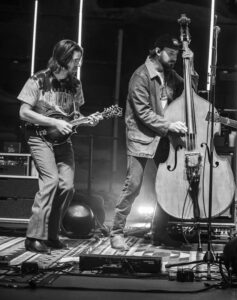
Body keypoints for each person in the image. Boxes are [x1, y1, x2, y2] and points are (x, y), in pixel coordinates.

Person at [110, 34, 198, 250]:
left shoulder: (170, 75)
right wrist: (169, 125)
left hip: (163, 139)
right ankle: (116, 231)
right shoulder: (140, 76)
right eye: (171, 53)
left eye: (177, 55)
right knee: (134, 185)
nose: (173, 58)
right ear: (157, 51)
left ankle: (159, 231)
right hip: (141, 137)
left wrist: (191, 64)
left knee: (168, 186)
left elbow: (190, 92)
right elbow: (143, 113)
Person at [18, 39, 99, 253]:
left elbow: (74, 115)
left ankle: (52, 234)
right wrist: (54, 122)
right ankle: (33, 236)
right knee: (51, 181)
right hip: (38, 136)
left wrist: (86, 120)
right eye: (75, 60)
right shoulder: (39, 79)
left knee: (67, 186)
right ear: (63, 59)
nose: (78, 64)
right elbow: (24, 112)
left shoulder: (75, 84)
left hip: (62, 141)